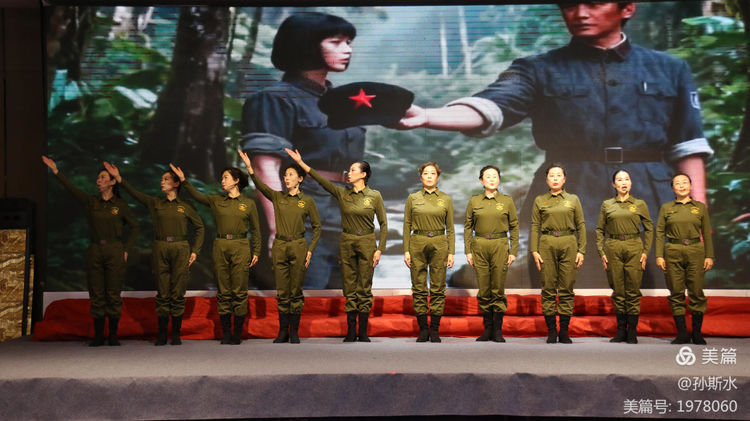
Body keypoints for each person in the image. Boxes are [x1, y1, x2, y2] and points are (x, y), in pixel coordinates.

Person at [398, 2, 713, 289]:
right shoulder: (538, 69)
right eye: (570, 5)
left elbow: (688, 147)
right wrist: (427, 116)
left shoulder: (669, 69)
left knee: (658, 303)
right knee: (562, 300)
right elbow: (492, 106)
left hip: (652, 200)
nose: (580, 13)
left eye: (594, 4)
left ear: (627, 8)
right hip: (566, 197)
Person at [241, 12, 363, 290]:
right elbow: (265, 168)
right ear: (306, 44)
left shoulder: (343, 103)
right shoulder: (274, 99)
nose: (347, 49)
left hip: (346, 212)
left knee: (346, 302)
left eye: (348, 42)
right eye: (336, 42)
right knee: (303, 298)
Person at [286, 148, 387, 342]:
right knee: (349, 286)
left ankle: (363, 332)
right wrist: (301, 163)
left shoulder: (375, 196)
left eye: (353, 170)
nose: (349, 173)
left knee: (364, 286)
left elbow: (383, 224)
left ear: (363, 174)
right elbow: (321, 180)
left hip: (367, 241)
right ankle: (351, 331)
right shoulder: (342, 193)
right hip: (347, 241)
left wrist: (379, 249)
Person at [103, 162, 204, 346]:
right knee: (163, 292)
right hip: (160, 247)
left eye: (166, 179)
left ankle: (176, 335)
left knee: (178, 292)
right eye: (161, 179)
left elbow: (200, 227)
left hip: (181, 247)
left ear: (176, 183)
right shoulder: (155, 203)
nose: (162, 182)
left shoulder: (186, 206)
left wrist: (195, 251)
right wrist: (119, 179)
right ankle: (162, 334)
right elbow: (135, 194)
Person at [42, 156, 139, 347]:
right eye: (98, 178)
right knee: (96, 293)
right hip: (95, 249)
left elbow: (135, 226)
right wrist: (56, 171)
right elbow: (72, 189)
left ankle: (113, 335)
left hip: (114, 249)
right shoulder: (91, 201)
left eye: (103, 177)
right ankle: (98, 335)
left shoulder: (120, 205)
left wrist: (127, 249)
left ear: (112, 182)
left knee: (113, 293)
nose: (98, 180)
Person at [170, 164, 261, 345]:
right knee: (223, 290)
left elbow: (256, 230)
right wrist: (184, 181)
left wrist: (256, 251)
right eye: (222, 178)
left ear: (236, 181)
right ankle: (226, 333)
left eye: (226, 177)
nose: (222, 181)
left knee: (239, 291)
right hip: (220, 245)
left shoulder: (248, 204)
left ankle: (237, 333)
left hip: (241, 245)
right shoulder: (216, 200)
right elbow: (197, 196)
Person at [239, 149, 321, 344]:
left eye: (291, 175)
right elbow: (260, 185)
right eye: (285, 175)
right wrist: (250, 168)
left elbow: (317, 227)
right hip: (280, 245)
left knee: (296, 290)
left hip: (299, 245)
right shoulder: (277, 197)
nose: (286, 178)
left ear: (300, 179)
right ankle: (283, 331)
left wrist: (310, 250)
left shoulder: (307, 201)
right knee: (283, 291)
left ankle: (295, 332)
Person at [595, 169, 653, 344]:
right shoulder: (607, 204)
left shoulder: (639, 204)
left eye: (626, 179)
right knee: (618, 289)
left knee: (633, 290)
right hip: (613, 246)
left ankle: (632, 331)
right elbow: (600, 230)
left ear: (631, 183)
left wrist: (645, 251)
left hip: (634, 246)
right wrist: (601, 252)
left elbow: (649, 228)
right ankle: (621, 331)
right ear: (614, 184)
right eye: (619, 180)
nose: (623, 182)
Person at [655, 173, 714, 345]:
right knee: (676, 291)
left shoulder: (700, 207)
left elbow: (706, 233)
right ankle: (682, 333)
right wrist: (659, 255)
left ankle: (697, 333)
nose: (681, 186)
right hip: (673, 250)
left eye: (685, 182)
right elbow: (660, 233)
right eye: (677, 183)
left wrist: (709, 255)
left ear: (691, 186)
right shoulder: (666, 207)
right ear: (672, 188)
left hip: (696, 250)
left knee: (696, 291)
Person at [530, 164, 585, 344]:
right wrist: (534, 250)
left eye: (558, 175)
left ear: (564, 179)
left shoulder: (573, 199)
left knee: (566, 288)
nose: (555, 178)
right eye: (551, 175)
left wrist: (581, 250)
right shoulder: (540, 200)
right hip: (547, 243)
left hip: (569, 242)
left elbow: (581, 225)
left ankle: (565, 332)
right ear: (546, 180)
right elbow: (535, 226)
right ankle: (552, 331)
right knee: (548, 288)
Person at [464, 165, 519, 342]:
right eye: (488, 176)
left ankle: (497, 330)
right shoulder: (474, 201)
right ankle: (487, 329)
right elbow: (468, 227)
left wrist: (513, 251)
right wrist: (468, 251)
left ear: (499, 179)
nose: (492, 179)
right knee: (484, 288)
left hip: (500, 245)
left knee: (498, 288)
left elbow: (514, 227)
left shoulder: (507, 201)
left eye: (495, 176)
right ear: (481, 181)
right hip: (479, 245)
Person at [403, 162, 455, 343]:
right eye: (426, 173)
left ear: (438, 177)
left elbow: (450, 228)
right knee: (418, 287)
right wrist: (406, 250)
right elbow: (406, 225)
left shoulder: (446, 199)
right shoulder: (413, 198)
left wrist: (451, 252)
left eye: (433, 173)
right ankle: (423, 329)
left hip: (440, 242)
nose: (429, 176)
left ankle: (434, 330)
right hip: (417, 241)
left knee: (438, 287)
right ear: (421, 177)